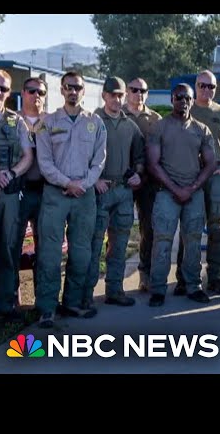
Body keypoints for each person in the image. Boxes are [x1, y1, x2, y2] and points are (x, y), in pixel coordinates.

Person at [35, 71, 106, 328]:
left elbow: (99, 161)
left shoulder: (96, 123)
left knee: (81, 253)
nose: (73, 91)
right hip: (56, 193)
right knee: (50, 253)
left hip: (84, 195)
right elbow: (43, 161)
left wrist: (82, 185)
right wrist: (67, 183)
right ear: (62, 90)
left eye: (77, 87)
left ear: (83, 91)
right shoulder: (47, 122)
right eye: (68, 87)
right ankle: (47, 308)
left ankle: (72, 303)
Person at [146, 83, 216, 307]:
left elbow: (210, 162)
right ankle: (157, 289)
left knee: (193, 241)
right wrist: (176, 189)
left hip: (193, 193)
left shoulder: (201, 129)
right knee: (162, 241)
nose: (183, 101)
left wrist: (192, 188)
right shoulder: (160, 127)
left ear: (193, 101)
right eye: (179, 97)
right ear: (171, 99)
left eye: (187, 98)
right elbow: (153, 164)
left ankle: (192, 285)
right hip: (167, 192)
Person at [83, 77, 144, 310]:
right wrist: (94, 179)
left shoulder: (130, 125)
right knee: (94, 244)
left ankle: (114, 290)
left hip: (123, 191)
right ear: (104, 96)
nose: (117, 99)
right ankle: (86, 294)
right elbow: (82, 155)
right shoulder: (92, 121)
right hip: (100, 190)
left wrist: (138, 174)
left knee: (119, 244)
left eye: (120, 95)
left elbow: (139, 156)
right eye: (113, 95)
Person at [175, 70, 220, 295]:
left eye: (211, 86)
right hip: (190, 174)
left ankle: (216, 278)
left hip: (217, 174)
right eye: (202, 86)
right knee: (189, 227)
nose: (206, 90)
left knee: (217, 227)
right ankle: (184, 278)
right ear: (195, 86)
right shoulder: (186, 110)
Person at [0, 70, 34, 321]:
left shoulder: (16, 122)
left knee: (6, 249)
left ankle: (3, 307)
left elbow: (28, 156)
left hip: (8, 194)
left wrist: (12, 173)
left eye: (3, 89)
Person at [123, 77, 162, 292]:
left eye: (143, 90)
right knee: (119, 229)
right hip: (122, 181)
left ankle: (144, 273)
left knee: (149, 229)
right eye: (134, 89)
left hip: (148, 182)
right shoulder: (116, 114)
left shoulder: (155, 119)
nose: (138, 93)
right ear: (127, 91)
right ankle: (114, 278)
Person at [13, 77, 48, 301]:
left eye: (41, 92)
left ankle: (42, 299)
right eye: (32, 91)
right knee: (13, 243)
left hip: (46, 190)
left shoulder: (53, 121)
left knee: (45, 246)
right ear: (23, 93)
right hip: (19, 191)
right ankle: (12, 298)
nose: (36, 95)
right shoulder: (12, 121)